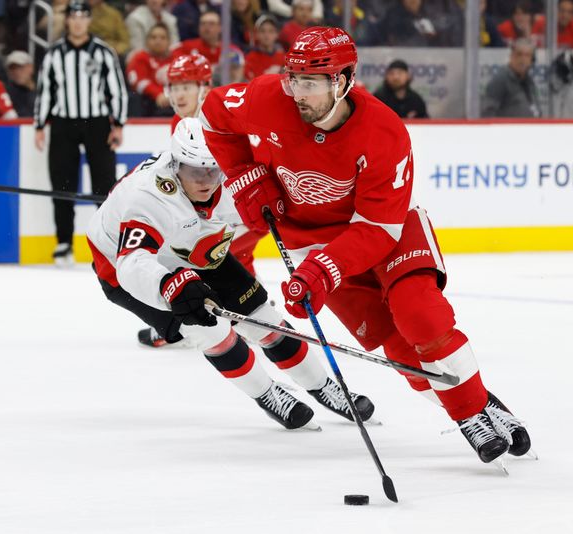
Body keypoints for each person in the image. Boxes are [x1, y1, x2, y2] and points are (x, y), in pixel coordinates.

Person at [200, 26, 532, 467]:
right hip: (309, 239)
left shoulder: (383, 131)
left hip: (387, 229)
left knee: (420, 314)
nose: (298, 93)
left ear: (342, 81)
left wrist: (323, 270)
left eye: (311, 83)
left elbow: (376, 227)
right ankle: (477, 401)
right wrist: (244, 175)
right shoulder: (269, 99)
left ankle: (469, 413)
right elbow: (212, 114)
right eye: (293, 79)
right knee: (397, 349)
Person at [86, 117, 376, 430]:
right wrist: (170, 285)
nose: (206, 180)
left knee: (265, 320)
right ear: (176, 164)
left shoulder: (235, 180)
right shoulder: (150, 197)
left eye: (213, 169)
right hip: (127, 268)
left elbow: (293, 207)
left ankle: (324, 385)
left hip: (197, 247)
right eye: (195, 170)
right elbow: (132, 263)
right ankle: (266, 394)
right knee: (210, 331)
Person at [137, 52, 265, 349]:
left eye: (186, 86)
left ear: (204, 86)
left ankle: (182, 324)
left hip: (245, 209)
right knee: (234, 261)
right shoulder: (179, 123)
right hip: (225, 211)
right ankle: (253, 320)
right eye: (174, 86)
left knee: (195, 255)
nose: (179, 94)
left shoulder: (221, 117)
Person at [34, 0, 127, 266]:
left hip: (97, 124)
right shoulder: (54, 54)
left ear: (89, 20)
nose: (77, 22)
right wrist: (40, 126)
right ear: (67, 21)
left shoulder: (103, 52)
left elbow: (116, 90)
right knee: (62, 184)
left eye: (82, 17)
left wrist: (118, 123)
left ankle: (107, 242)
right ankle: (64, 242)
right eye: (73, 16)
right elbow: (45, 92)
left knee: (104, 184)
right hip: (63, 124)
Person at [482, 38, 540, 118]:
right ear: (511, 56)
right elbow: (487, 114)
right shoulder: (500, 80)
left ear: (531, 60)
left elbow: (535, 109)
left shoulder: (529, 81)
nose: (523, 59)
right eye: (519, 54)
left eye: (527, 55)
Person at [125, 23, 173, 117]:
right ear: (147, 41)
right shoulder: (139, 58)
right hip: (149, 105)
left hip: (175, 102)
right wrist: (158, 94)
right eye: (153, 37)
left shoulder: (177, 58)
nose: (158, 41)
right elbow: (139, 83)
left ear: (169, 41)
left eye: (162, 38)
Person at [244, 14, 284, 81]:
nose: (267, 35)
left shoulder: (283, 57)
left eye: (271, 31)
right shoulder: (249, 58)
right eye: (262, 31)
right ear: (256, 34)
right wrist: (268, 75)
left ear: (277, 34)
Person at [4, 50, 37, 118]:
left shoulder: (44, 89)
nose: (16, 72)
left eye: (20, 67)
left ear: (31, 67)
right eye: (12, 68)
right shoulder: (5, 93)